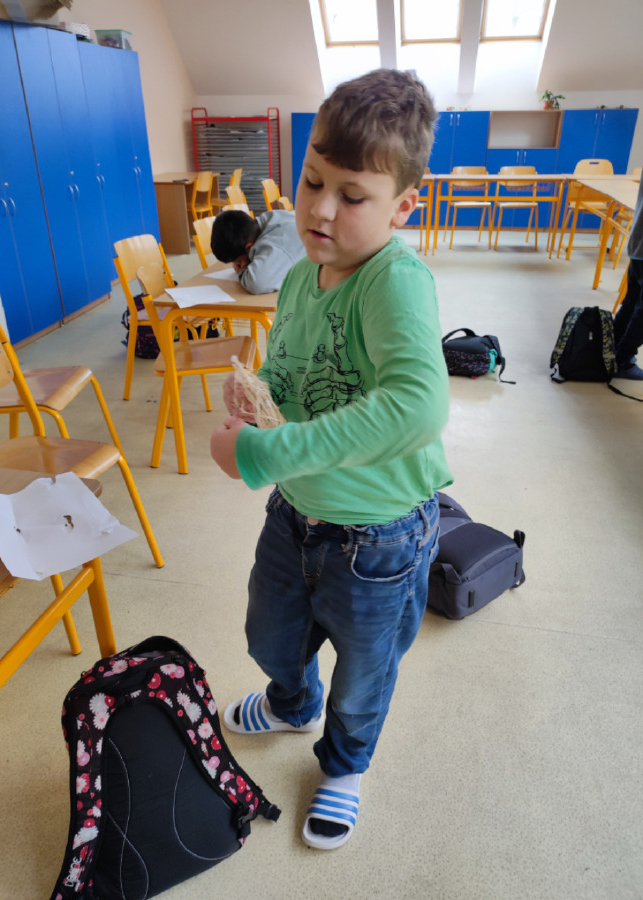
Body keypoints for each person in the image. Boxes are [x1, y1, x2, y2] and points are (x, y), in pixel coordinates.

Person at [210, 69, 452, 851]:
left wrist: (267, 450)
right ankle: (289, 702)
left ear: (402, 206)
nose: (318, 209)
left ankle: (344, 765)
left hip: (379, 536)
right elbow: (289, 365)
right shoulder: (300, 276)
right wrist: (261, 394)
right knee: (269, 633)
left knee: (362, 674)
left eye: (351, 196)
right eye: (313, 180)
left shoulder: (395, 282)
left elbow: (417, 406)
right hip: (296, 511)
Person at [210, 207, 306, 294]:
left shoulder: (276, 245)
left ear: (249, 247)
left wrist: (242, 270)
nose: (237, 266)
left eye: (239, 262)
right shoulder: (270, 219)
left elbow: (257, 283)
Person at [613, 176, 643, 379]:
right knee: (637, 307)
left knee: (632, 302)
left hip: (638, 243)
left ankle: (610, 350)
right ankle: (622, 360)